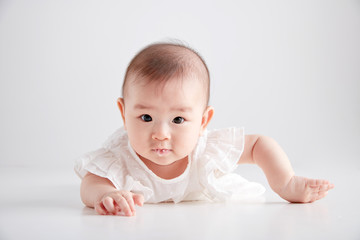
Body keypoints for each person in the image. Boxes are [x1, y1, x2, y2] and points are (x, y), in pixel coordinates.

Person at [75, 42, 334, 217]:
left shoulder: (206, 149)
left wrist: (285, 182)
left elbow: (258, 146)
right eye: (145, 117)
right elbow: (91, 182)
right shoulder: (121, 157)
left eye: (178, 120)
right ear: (123, 113)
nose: (161, 133)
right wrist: (107, 194)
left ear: (203, 121)